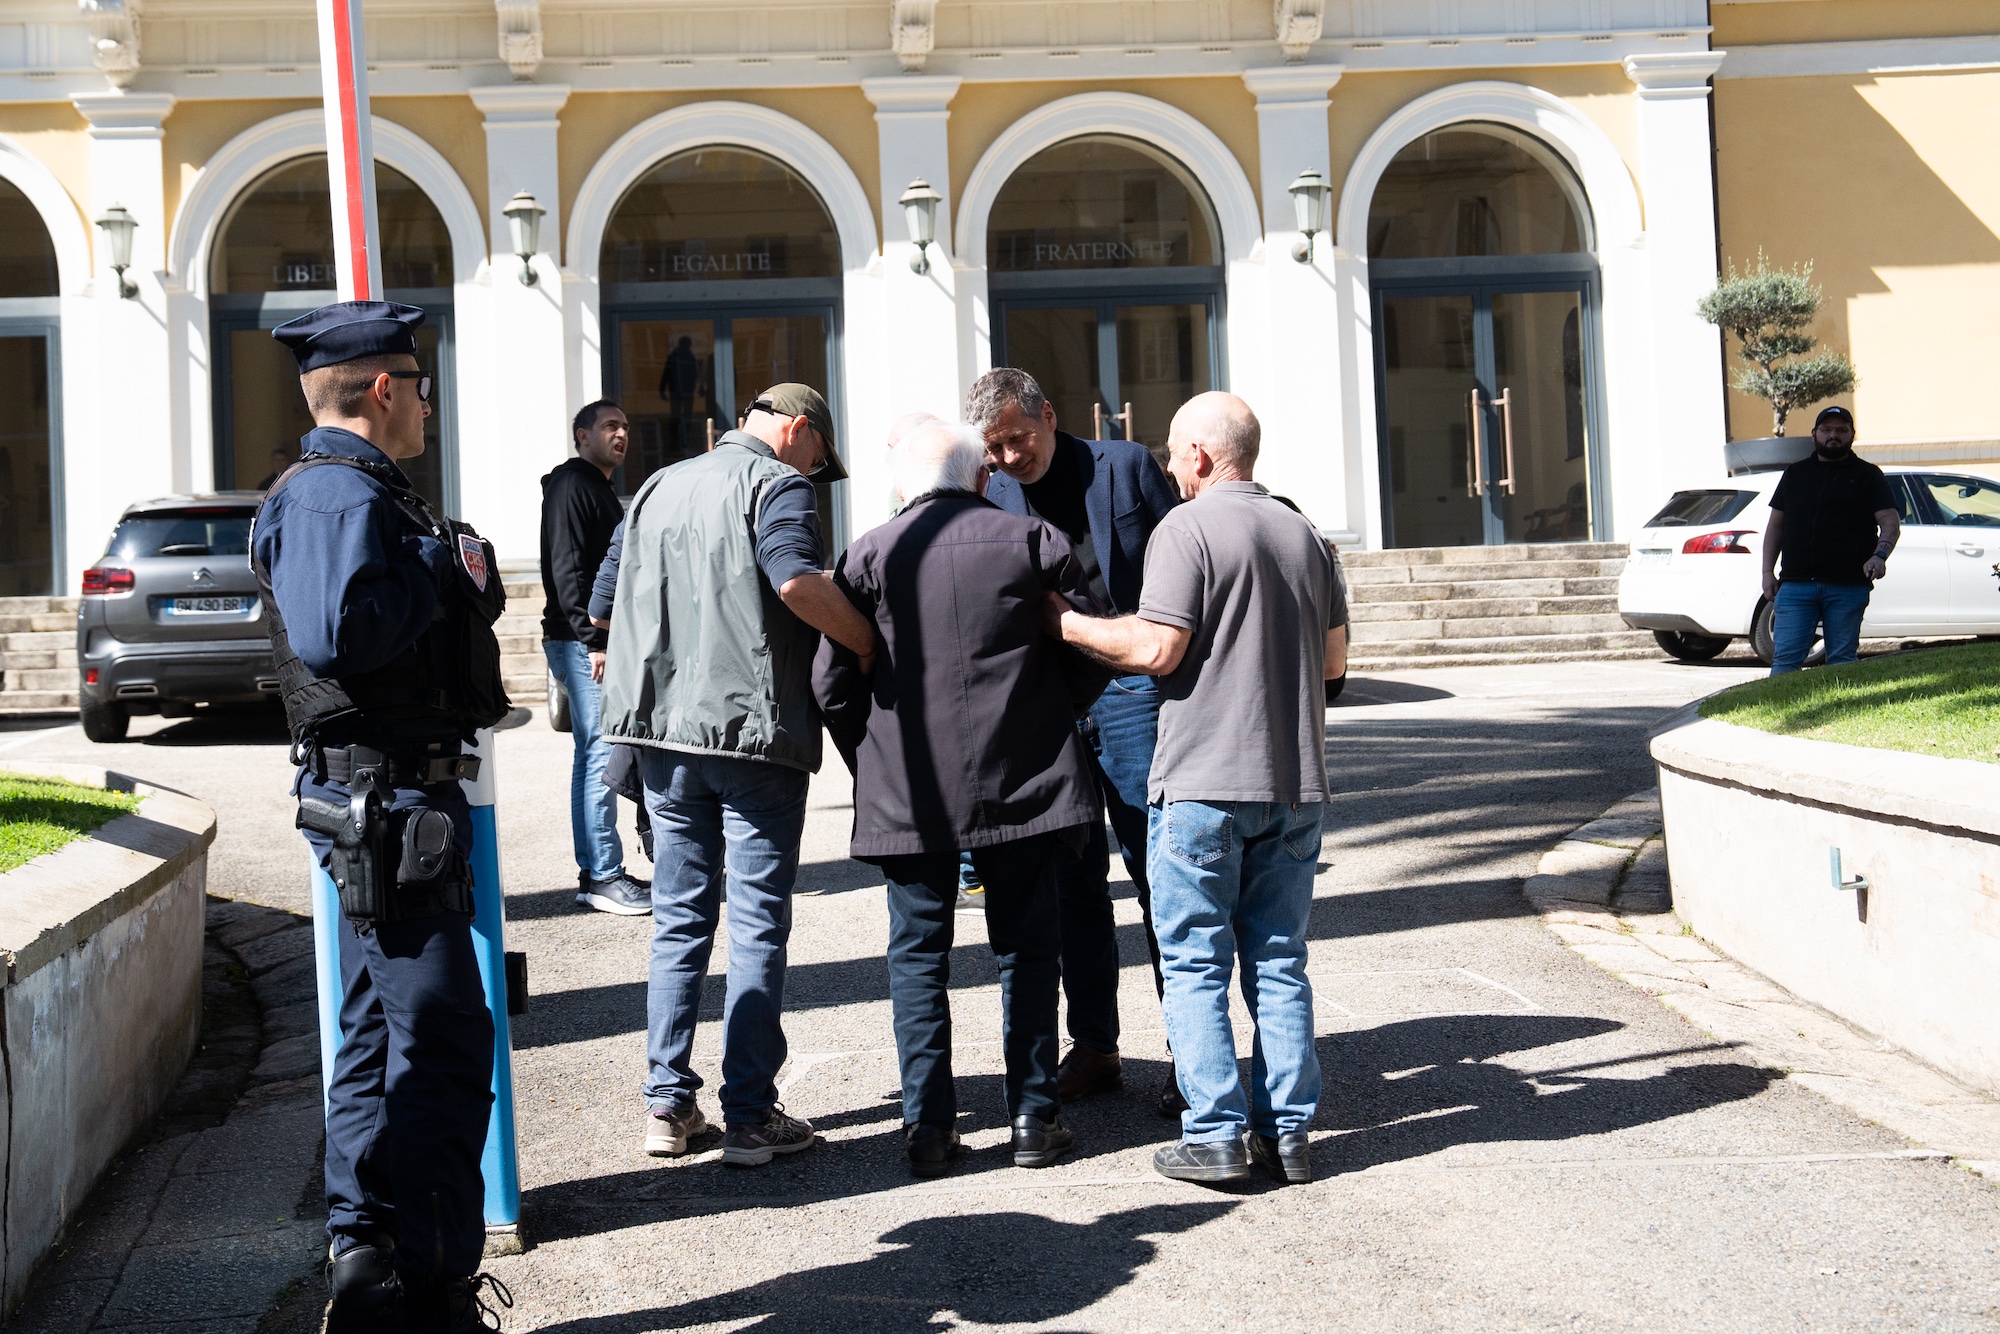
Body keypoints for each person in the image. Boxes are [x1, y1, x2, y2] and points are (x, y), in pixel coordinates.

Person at [252, 300, 512, 1328]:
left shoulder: (358, 492)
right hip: (388, 803)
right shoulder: (332, 495)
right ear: (384, 389)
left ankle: (369, 1273)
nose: (428, 406)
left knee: (374, 1033)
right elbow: (332, 634)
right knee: (445, 1033)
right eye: (420, 386)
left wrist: (447, 572)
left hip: (389, 800)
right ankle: (434, 1284)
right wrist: (435, 566)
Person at [1049, 391, 1343, 1187]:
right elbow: (1334, 665)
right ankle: (1291, 1135)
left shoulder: (1186, 529)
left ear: (1203, 457)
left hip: (1208, 783)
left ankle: (1214, 1133)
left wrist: (1066, 624)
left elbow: (1156, 647)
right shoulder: (1305, 532)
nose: (1170, 470)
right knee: (1280, 964)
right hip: (1297, 786)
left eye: (1175, 455)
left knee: (1195, 964)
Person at [814, 420, 1110, 1177]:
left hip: (911, 788)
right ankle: (1034, 1123)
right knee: (1027, 949)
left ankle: (928, 1130)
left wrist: (870, 754)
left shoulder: (867, 555)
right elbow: (1088, 644)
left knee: (918, 956)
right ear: (981, 477)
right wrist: (1053, 715)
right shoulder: (1033, 540)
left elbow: (831, 684)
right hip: (1027, 778)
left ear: (904, 487)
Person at [600, 383, 876, 1166]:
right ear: (795, 432)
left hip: (662, 739)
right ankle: (751, 1116)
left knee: (679, 921)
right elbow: (794, 579)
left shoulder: (656, 484)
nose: (817, 472)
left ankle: (668, 1105)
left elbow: (600, 603)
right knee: (756, 923)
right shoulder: (778, 485)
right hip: (754, 738)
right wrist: (862, 640)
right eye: (819, 455)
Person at [968, 367, 1182, 1112]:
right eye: (993, 447)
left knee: (1161, 873)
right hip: (1047, 700)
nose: (1007, 459)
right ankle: (1095, 1047)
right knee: (1073, 882)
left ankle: (1193, 1054)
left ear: (1050, 417)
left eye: (1017, 440)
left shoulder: (1123, 466)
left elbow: (1182, 562)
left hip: (1131, 689)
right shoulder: (988, 489)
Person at [542, 399, 651, 914]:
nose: (621, 434)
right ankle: (602, 876)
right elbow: (567, 572)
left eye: (625, 426)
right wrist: (593, 640)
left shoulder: (597, 489)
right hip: (579, 640)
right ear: (581, 435)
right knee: (598, 756)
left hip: (591, 640)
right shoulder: (570, 486)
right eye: (610, 425)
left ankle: (602, 872)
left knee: (597, 755)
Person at [1761, 405, 1900, 674]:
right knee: (1785, 660)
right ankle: (1775, 712)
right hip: (1796, 584)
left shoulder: (1868, 475)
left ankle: (1841, 712)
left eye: (1840, 430)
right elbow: (1776, 526)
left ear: (1852, 435)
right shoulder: (1795, 474)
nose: (1833, 435)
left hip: (1847, 585)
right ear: (1814, 434)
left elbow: (1890, 522)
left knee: (1842, 661)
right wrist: (1767, 571)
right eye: (1826, 429)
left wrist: (1879, 555)